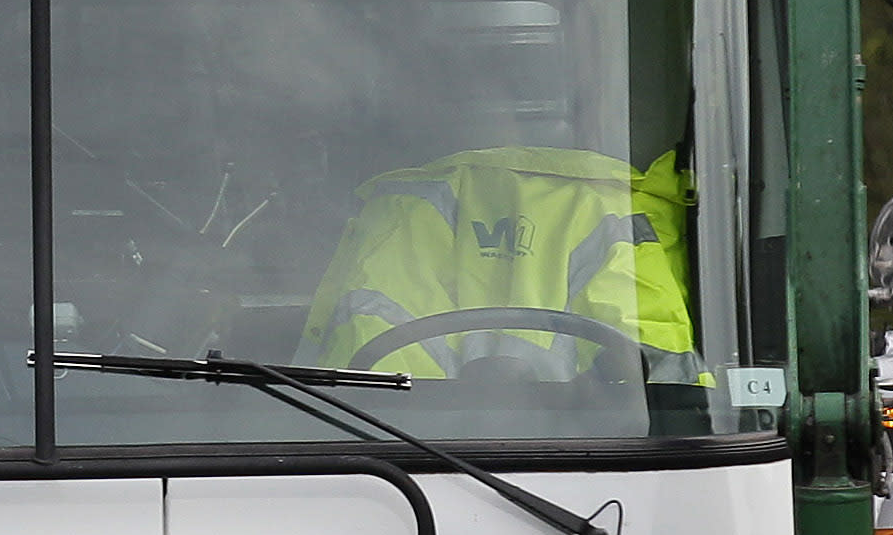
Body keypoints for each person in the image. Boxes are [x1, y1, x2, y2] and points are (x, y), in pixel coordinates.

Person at [298, 146, 698, 384]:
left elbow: (353, 388)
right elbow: (667, 402)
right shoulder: (625, 217)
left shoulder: (400, 211)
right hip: (600, 471)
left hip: (382, 469)